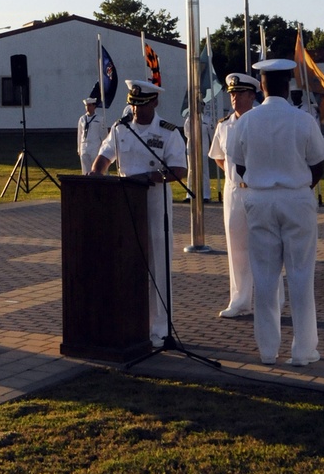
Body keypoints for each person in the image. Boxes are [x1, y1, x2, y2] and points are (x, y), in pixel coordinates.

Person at [227, 57, 324, 366]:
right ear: (290, 85)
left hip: (259, 200)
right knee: (300, 277)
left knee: (266, 278)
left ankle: (268, 351)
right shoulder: (303, 119)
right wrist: (298, 187)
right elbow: (319, 163)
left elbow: (240, 165)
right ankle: (303, 351)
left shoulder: (246, 121)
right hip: (296, 198)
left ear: (261, 86)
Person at [90, 80, 187, 346]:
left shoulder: (168, 133)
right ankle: (129, 324)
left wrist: (148, 177)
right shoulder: (121, 129)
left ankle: (161, 328)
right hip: (123, 203)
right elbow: (105, 155)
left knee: (158, 264)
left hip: (154, 202)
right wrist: (95, 174)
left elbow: (179, 170)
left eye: (141, 105)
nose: (136, 110)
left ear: (154, 102)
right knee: (126, 264)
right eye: (133, 104)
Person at [209, 72, 259, 317]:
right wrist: (233, 176)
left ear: (252, 95)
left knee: (266, 248)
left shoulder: (262, 120)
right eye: (231, 94)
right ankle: (240, 301)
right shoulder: (224, 125)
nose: (234, 98)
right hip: (234, 193)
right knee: (237, 249)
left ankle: (273, 300)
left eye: (239, 93)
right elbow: (219, 156)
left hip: (260, 191)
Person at [76, 96, 105, 176]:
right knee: (85, 169)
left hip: (95, 145)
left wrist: (103, 147)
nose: (87, 107)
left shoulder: (100, 119)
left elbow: (102, 134)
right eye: (86, 106)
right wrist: (79, 148)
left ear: (94, 106)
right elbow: (80, 134)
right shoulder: (82, 119)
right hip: (84, 146)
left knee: (95, 168)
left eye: (90, 105)